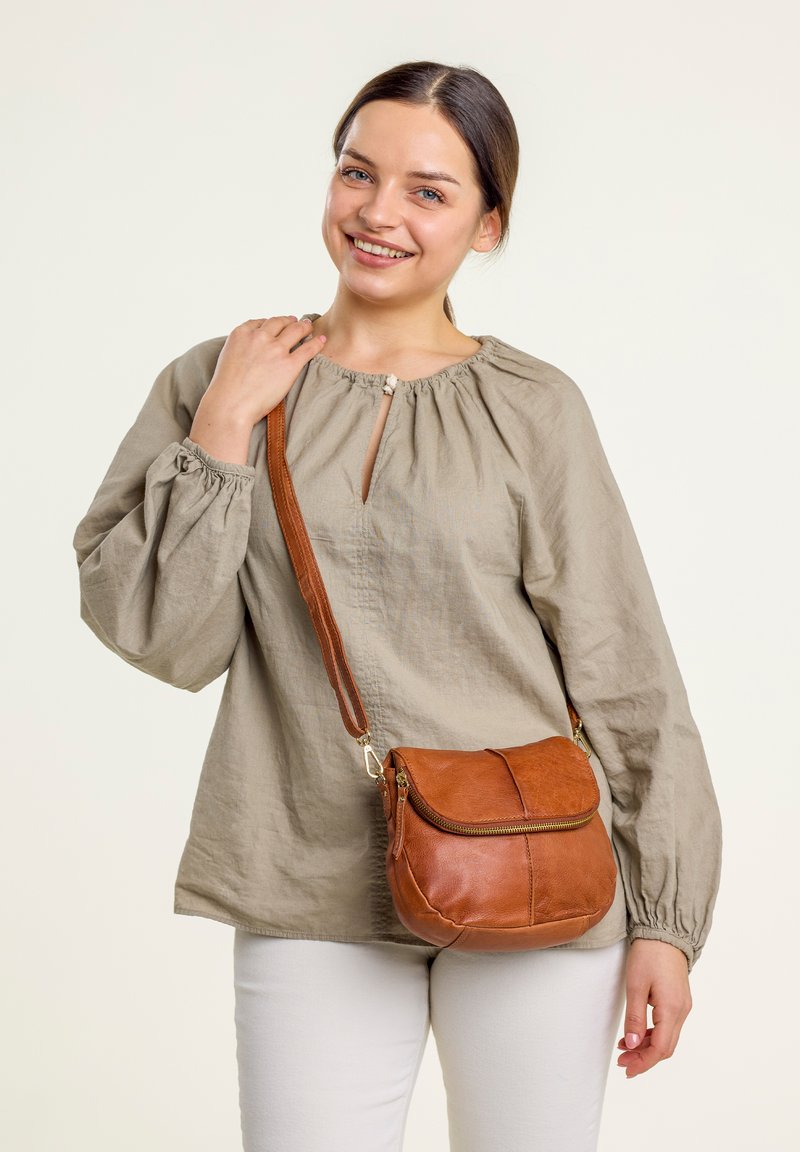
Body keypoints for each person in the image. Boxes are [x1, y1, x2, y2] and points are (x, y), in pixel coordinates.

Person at [72, 60, 723, 1152]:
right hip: (307, 876)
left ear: (486, 226)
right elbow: (163, 638)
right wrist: (224, 428)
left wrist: (666, 920)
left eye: (428, 191)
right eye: (356, 173)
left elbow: (626, 672)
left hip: (533, 867)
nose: (378, 213)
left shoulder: (532, 408)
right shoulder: (219, 377)